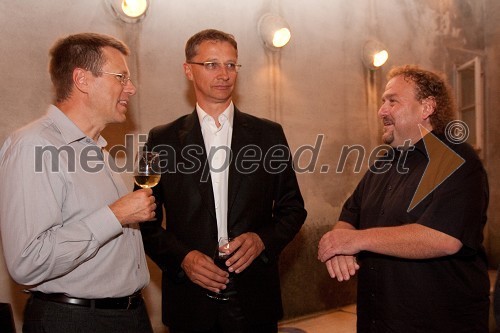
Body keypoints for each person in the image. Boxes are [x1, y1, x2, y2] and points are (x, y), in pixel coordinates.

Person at [139, 29, 307, 333]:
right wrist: (184, 258)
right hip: (190, 299)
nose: (224, 74)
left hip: (254, 296)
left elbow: (293, 209)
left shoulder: (269, 135)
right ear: (188, 70)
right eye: (212, 64)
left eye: (231, 65)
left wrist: (261, 240)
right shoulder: (160, 139)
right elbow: (144, 221)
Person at [0, 33, 156, 333]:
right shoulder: (34, 145)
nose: (131, 88)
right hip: (75, 320)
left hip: (128, 316)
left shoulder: (96, 149)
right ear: (82, 80)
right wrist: (115, 215)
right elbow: (27, 261)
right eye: (121, 77)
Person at [318, 65, 490, 332]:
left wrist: (354, 240)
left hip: (437, 323)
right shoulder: (382, 164)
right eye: (383, 102)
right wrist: (340, 245)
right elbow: (350, 216)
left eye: (392, 101)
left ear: (427, 108)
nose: (381, 111)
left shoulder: (457, 159)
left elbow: (444, 238)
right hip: (378, 321)